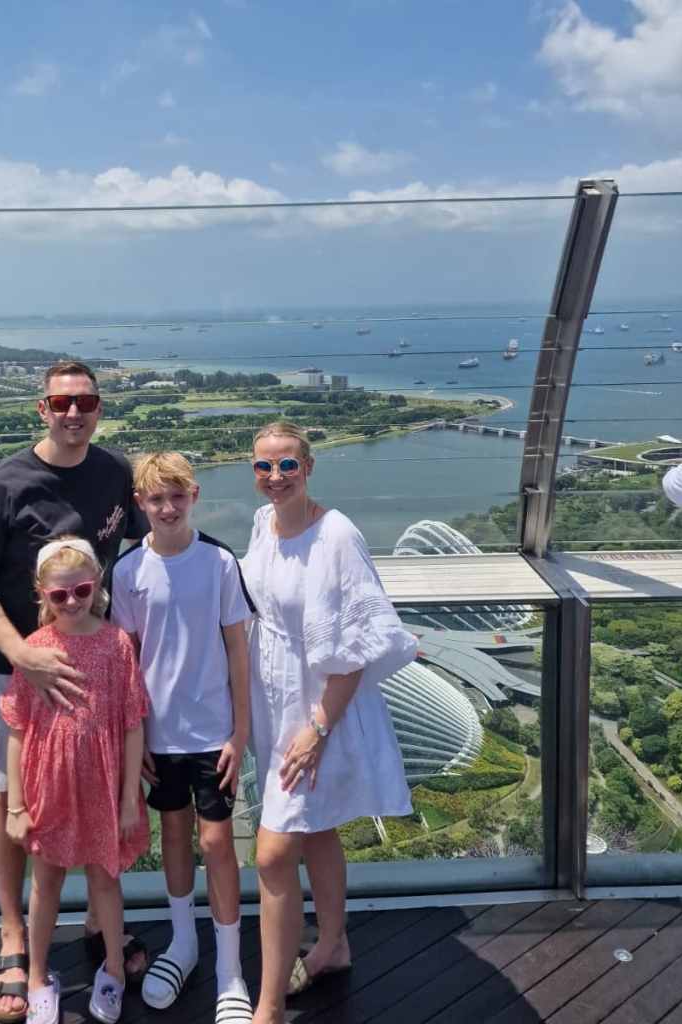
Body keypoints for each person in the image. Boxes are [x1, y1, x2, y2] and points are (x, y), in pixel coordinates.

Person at [0, 361, 148, 1022]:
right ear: (42, 409)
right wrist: (22, 654)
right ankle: (12, 936)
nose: (73, 413)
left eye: (84, 402)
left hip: (91, 661)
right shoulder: (5, 484)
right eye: (61, 402)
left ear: (99, 407)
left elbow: (149, 545)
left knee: (93, 781)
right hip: (14, 665)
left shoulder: (114, 472)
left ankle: (98, 923)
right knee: (12, 797)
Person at [240, 421, 416, 1024]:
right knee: (316, 830)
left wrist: (317, 729)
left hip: (319, 711)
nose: (276, 476)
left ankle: (267, 1006)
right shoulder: (262, 525)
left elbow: (360, 643)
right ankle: (334, 944)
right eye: (264, 466)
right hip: (276, 703)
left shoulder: (337, 534)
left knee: (272, 855)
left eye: (288, 464)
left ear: (309, 467)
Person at [111, 452, 255, 1024]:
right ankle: (183, 942)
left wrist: (240, 732)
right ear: (140, 504)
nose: (167, 508)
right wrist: (135, 737)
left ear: (194, 496)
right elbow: (127, 661)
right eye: (156, 499)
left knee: (217, 844)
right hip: (158, 734)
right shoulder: (128, 572)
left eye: (177, 496)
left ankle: (230, 969)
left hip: (213, 731)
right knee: (172, 834)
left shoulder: (218, 562)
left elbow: (238, 650)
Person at [3, 538, 150, 1024]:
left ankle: (114, 969)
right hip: (50, 787)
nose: (72, 601)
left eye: (81, 590)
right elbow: (18, 730)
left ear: (97, 586)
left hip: (103, 786)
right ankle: (37, 976)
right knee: (45, 883)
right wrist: (16, 806)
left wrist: (128, 800)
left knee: (105, 880)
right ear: (42, 594)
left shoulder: (116, 645)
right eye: (59, 594)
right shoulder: (33, 651)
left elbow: (132, 725)